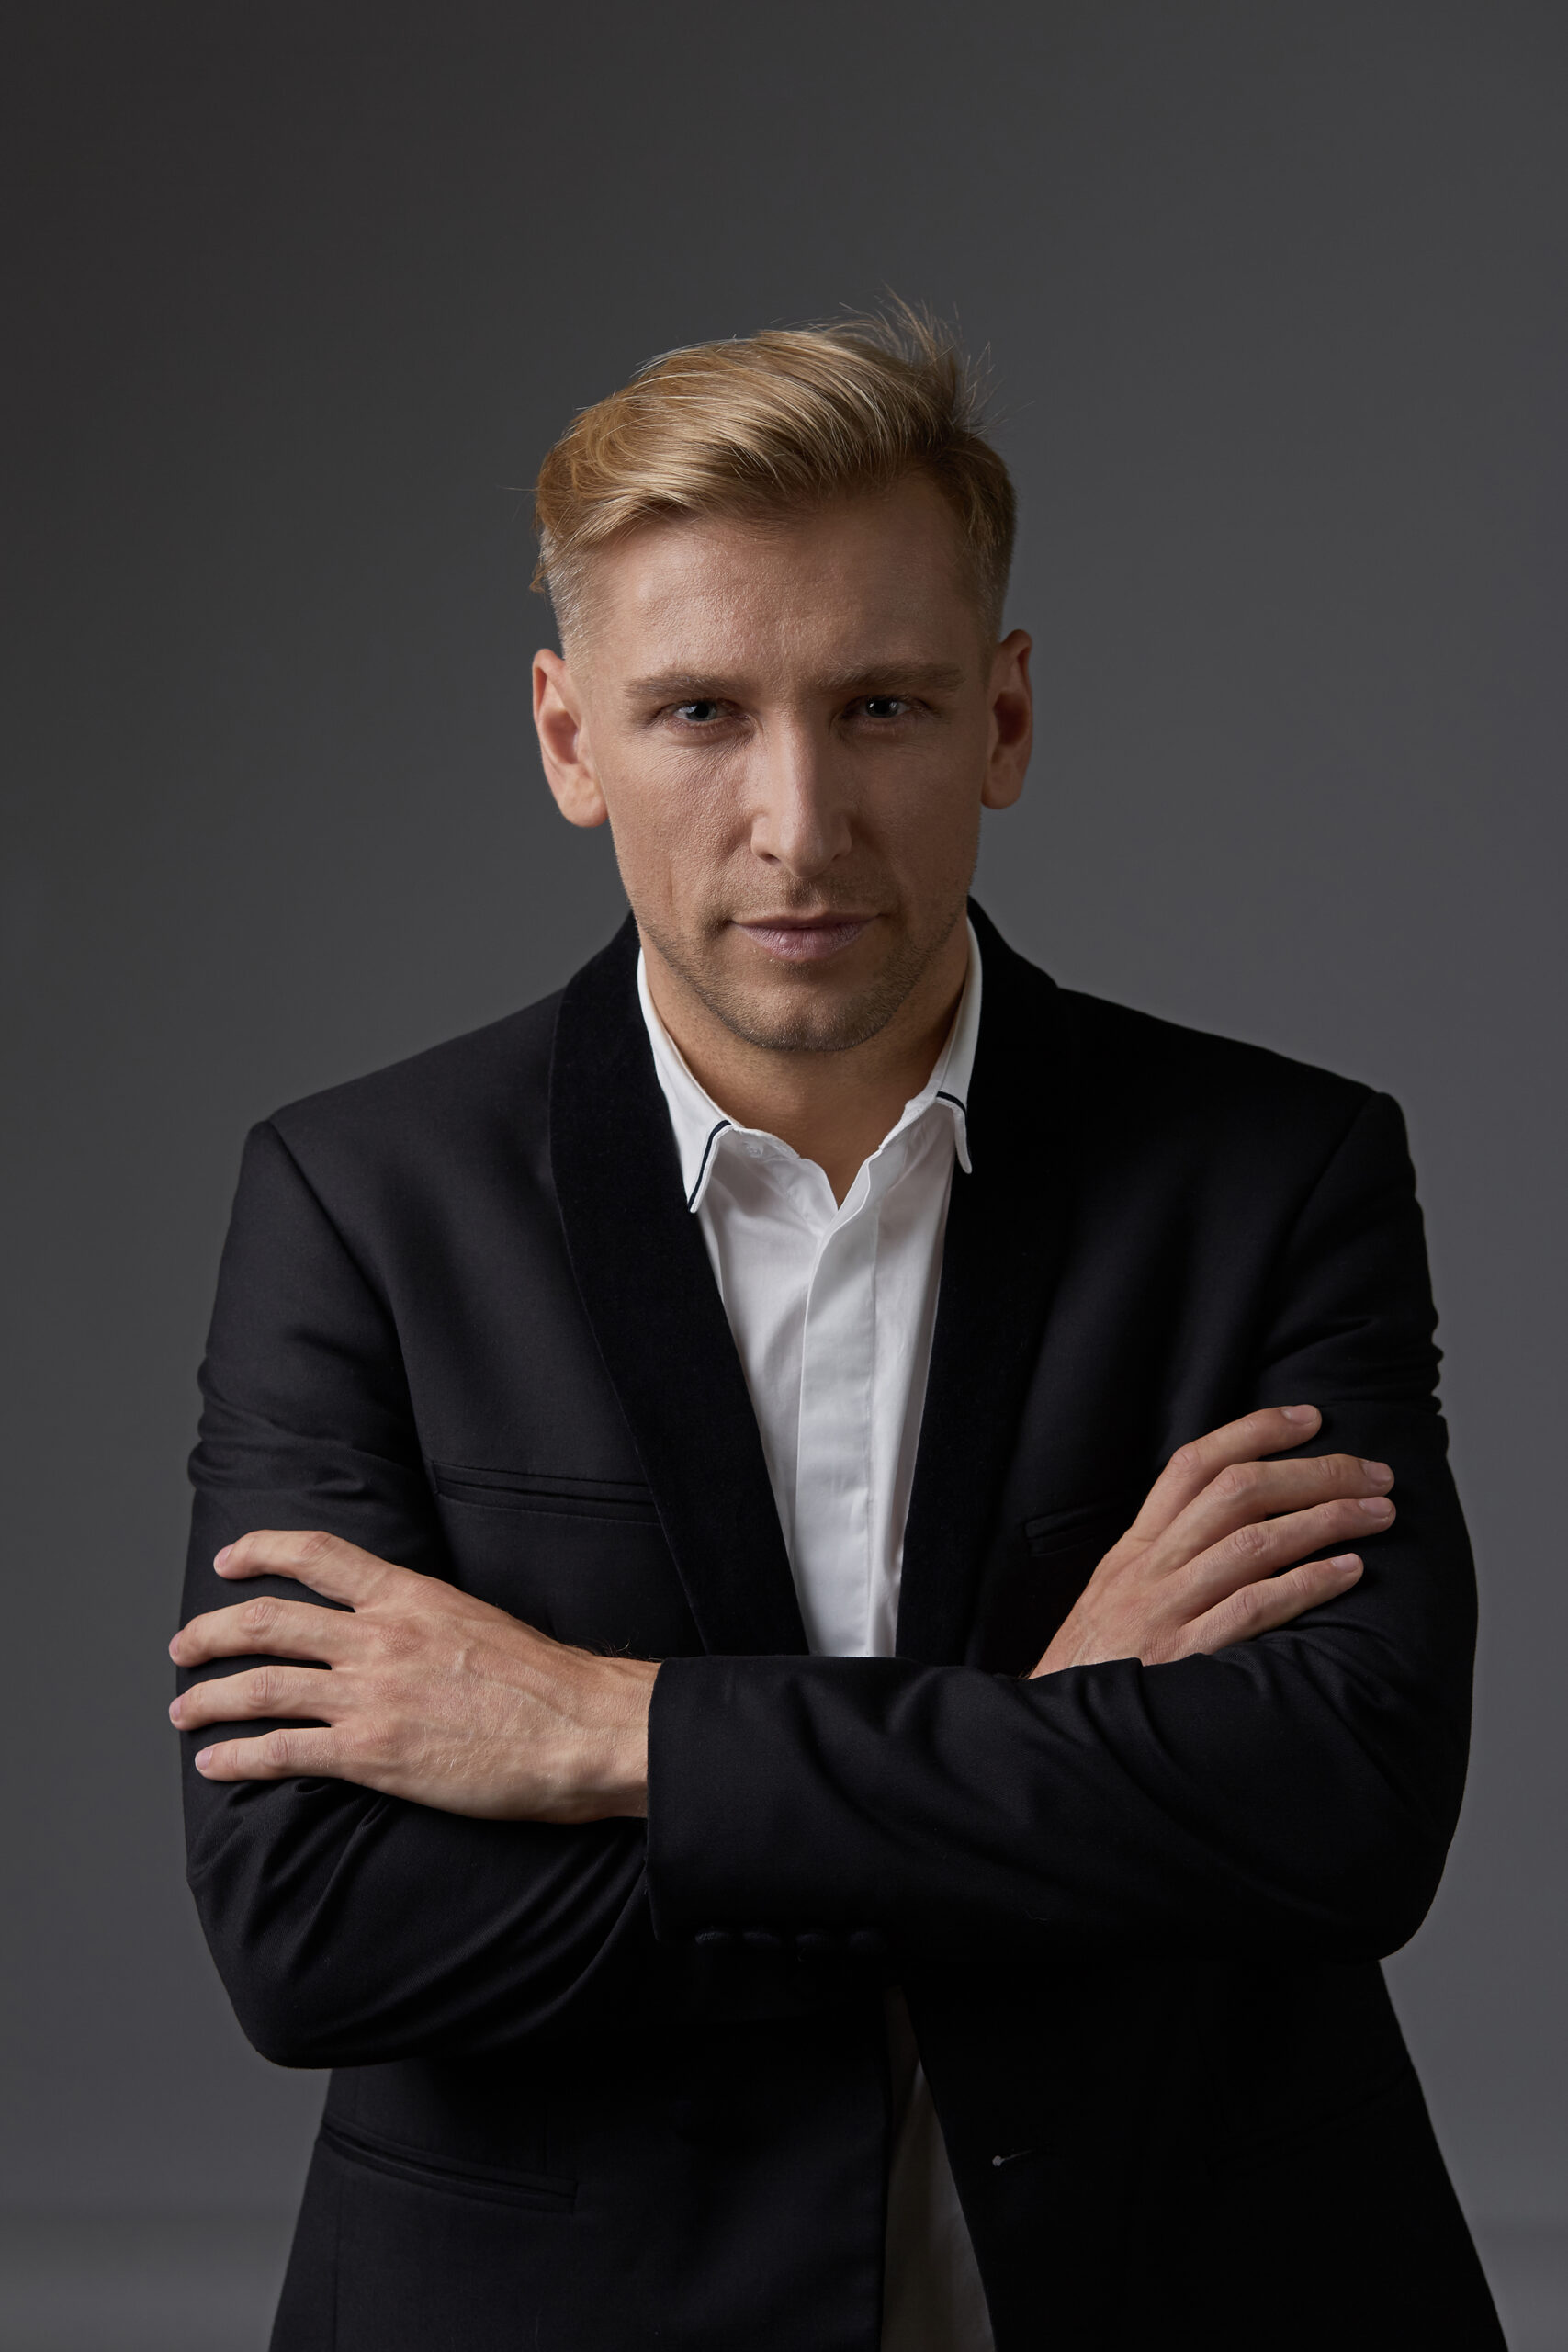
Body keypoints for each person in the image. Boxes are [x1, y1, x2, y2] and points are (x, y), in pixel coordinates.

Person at [170, 311, 1504, 2351]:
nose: (797, 822)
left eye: (879, 705)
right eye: (699, 712)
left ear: (1003, 719)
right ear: (568, 739)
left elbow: (1340, 1814)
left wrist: (608, 1735)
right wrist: (1048, 1748)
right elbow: (316, 1928)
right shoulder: (357, 1199)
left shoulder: (1277, 1171)